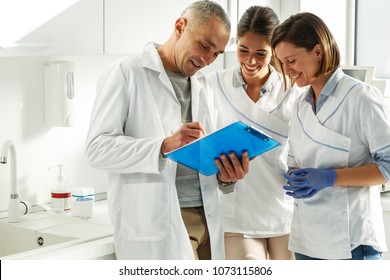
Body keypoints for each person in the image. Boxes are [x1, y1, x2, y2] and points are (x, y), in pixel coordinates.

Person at [85, 0, 249, 260]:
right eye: (204, 45)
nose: (207, 60)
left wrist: (226, 176)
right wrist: (162, 146)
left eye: (216, 54)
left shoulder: (203, 84)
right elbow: (96, 149)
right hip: (157, 219)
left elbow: (203, 156)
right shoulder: (126, 72)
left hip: (207, 217)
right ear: (180, 26)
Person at [271, 12, 389, 260]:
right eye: (281, 63)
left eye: (291, 60)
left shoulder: (361, 97)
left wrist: (330, 177)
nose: (286, 70)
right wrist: (296, 177)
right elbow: (295, 161)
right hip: (306, 240)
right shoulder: (301, 104)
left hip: (351, 244)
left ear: (317, 51)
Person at [207, 6, 305, 260]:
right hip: (237, 215)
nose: (250, 61)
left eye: (261, 53)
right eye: (243, 50)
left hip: (284, 211)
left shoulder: (293, 90)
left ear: (274, 51)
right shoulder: (212, 85)